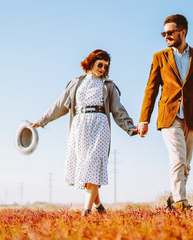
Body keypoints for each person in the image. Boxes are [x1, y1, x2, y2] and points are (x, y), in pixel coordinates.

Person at [30, 49, 137, 216]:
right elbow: (59, 106)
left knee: (94, 163)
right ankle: (99, 206)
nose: (103, 69)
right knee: (86, 168)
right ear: (91, 63)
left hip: (100, 125)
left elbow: (118, 110)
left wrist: (131, 128)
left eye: (105, 67)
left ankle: (85, 212)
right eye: (100, 65)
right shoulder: (76, 83)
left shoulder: (108, 86)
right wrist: (41, 120)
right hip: (79, 127)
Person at [137, 14, 193, 210]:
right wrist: (143, 119)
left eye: (170, 32)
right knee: (178, 159)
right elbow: (151, 89)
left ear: (183, 32)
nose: (166, 36)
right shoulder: (159, 57)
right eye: (164, 33)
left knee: (186, 165)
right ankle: (181, 202)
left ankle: (174, 201)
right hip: (169, 116)